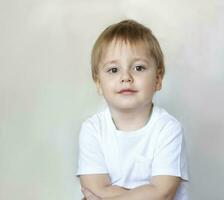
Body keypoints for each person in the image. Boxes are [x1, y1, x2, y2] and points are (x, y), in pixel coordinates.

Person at [76, 19, 189, 200]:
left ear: (158, 79)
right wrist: (146, 194)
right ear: (98, 83)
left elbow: (162, 194)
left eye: (138, 68)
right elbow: (94, 186)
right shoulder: (92, 129)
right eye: (113, 70)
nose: (126, 77)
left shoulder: (168, 128)